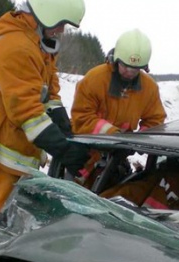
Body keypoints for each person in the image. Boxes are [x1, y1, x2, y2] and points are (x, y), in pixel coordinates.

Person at [0, 0, 89, 229]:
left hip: (20, 138)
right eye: (61, 24)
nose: (61, 31)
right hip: (5, 136)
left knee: (15, 203)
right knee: (2, 206)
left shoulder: (38, 44)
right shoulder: (17, 47)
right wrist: (64, 149)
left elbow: (48, 91)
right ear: (46, 16)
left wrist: (63, 127)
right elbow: (26, 111)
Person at [71, 29, 167, 187]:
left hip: (117, 160)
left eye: (135, 69)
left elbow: (155, 119)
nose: (129, 72)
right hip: (83, 156)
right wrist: (114, 136)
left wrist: (138, 141)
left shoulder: (149, 88)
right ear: (116, 59)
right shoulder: (94, 80)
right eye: (125, 66)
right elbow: (81, 117)